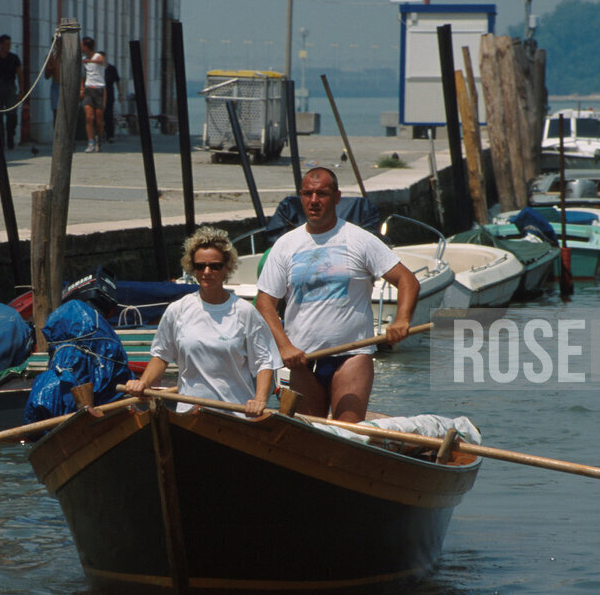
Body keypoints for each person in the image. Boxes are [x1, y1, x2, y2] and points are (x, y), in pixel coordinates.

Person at [255, 167, 420, 423]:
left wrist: (402, 319)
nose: (314, 201)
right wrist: (284, 346)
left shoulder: (360, 239)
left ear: (336, 197)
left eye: (322, 194)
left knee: (347, 433)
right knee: (307, 434)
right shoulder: (285, 246)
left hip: (352, 355)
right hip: (303, 359)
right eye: (307, 194)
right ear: (301, 197)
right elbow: (264, 303)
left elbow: (407, 280)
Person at [125, 226, 282, 416]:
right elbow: (161, 356)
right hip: (189, 416)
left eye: (215, 266)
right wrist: (143, 383)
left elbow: (264, 363)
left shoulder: (246, 312)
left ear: (226, 268)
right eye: (200, 266)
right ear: (193, 268)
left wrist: (260, 400)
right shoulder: (177, 310)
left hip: (236, 416)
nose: (207, 271)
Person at [0, 34, 22, 149]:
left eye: (9, 44)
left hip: (10, 86)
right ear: (0, 44)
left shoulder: (14, 58)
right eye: (6, 44)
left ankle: (10, 134)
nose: (8, 46)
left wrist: (21, 90)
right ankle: (0, 138)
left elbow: (19, 73)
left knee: (12, 113)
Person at [80, 36, 106, 153]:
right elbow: (83, 75)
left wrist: (89, 61)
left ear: (86, 47)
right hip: (88, 89)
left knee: (99, 119)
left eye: (82, 46)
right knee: (89, 117)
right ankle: (90, 142)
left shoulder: (97, 56)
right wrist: (82, 88)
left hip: (99, 89)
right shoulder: (83, 59)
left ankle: (99, 139)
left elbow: (101, 62)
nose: (81, 48)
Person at [103, 55, 121, 143]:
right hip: (99, 93)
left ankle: (110, 135)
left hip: (109, 94)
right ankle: (99, 134)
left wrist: (120, 94)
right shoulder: (97, 68)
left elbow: (117, 81)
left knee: (109, 114)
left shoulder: (111, 69)